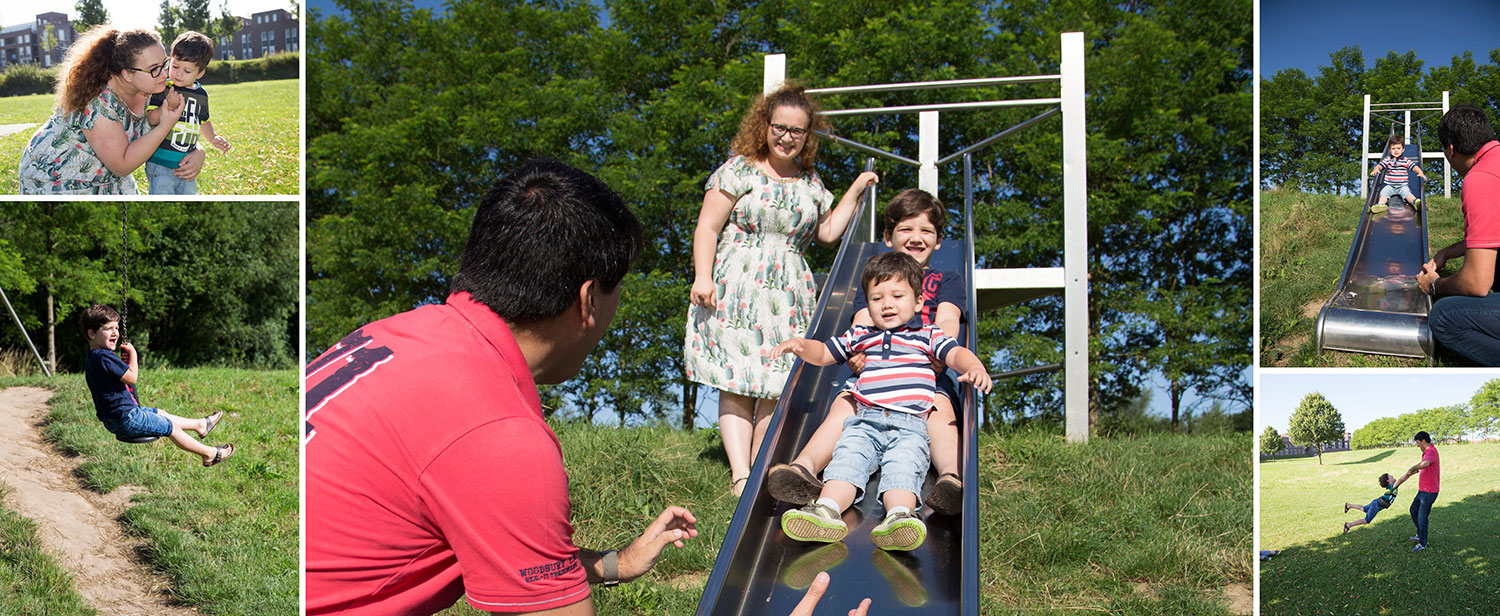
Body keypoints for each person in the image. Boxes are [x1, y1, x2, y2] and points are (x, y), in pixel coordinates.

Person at [305, 159, 870, 615]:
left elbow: (482, 523)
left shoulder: (396, 332)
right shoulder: (499, 437)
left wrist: (612, 565)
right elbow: (484, 471)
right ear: (587, 300)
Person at [684, 82, 879, 496]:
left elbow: (827, 232)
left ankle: (759, 468)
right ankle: (740, 475)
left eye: (797, 131)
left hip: (789, 290)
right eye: (780, 127)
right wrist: (703, 276)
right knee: (737, 381)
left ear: (808, 135)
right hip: (735, 284)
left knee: (775, 380)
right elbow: (708, 226)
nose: (787, 137)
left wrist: (856, 189)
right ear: (764, 125)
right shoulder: (738, 169)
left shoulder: (810, 181)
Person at [769, 252, 992, 552]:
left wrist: (974, 366)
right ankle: (825, 510)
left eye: (897, 296)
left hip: (911, 425)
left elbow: (955, 354)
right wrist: (801, 345)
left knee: (902, 469)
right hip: (863, 420)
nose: (887, 304)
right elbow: (824, 352)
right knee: (846, 463)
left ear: (917, 303)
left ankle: (899, 516)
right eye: (877, 298)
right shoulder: (862, 335)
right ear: (867, 304)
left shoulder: (928, 335)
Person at [767, 189, 968, 514]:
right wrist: (856, 355)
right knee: (844, 405)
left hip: (926, 372)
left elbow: (948, 318)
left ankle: (950, 478)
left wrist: (937, 356)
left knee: (941, 408)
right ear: (887, 236)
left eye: (926, 231)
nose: (916, 238)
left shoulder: (946, 279)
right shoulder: (876, 283)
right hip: (876, 374)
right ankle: (803, 468)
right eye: (906, 229)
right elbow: (860, 324)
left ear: (939, 240)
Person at [16, 27, 201, 195]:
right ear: (127, 74)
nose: (164, 73)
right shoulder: (97, 104)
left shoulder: (153, 87)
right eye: (154, 69)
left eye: (165, 64)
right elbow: (122, 165)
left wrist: (198, 151)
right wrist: (165, 124)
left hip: (106, 178)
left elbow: (184, 126)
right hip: (57, 180)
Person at [80, 304, 233, 466]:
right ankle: (209, 454)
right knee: (171, 427)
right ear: (92, 333)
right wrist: (133, 355)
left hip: (117, 418)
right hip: (126, 418)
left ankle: (200, 425)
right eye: (108, 329)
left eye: (117, 328)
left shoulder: (93, 356)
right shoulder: (104, 357)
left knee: (161, 412)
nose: (115, 333)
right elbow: (131, 377)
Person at [1418, 104, 1500, 366]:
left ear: (1450, 149)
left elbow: (1476, 283)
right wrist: (1447, 252)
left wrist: (1433, 285)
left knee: (1444, 315)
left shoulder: (1480, 178)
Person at [144, 31, 231, 195]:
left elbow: (203, 120)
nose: (178, 73)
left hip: (187, 164)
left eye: (187, 71)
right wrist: (167, 107)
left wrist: (213, 137)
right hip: (161, 162)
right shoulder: (164, 88)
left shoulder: (201, 94)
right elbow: (151, 119)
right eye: (175, 66)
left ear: (200, 73)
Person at [1393, 431, 1440, 552]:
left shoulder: (1431, 451)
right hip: (1423, 490)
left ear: (1423, 441)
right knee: (1413, 510)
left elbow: (1425, 464)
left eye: (1418, 442)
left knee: (1422, 517)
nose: (1417, 445)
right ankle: (1420, 534)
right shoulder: (1427, 452)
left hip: (1429, 492)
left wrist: (1412, 468)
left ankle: (1422, 543)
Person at [1370, 134, 1427, 209]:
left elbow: (1414, 167)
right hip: (1390, 186)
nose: (1396, 150)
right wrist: (1376, 169)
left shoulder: (1405, 160)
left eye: (1398, 148)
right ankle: (1381, 205)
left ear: (1403, 149)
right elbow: (1380, 165)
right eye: (1393, 148)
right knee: (1383, 194)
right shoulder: (1388, 160)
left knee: (1408, 194)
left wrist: (1420, 172)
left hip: (1402, 186)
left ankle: (1415, 202)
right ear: (1390, 150)